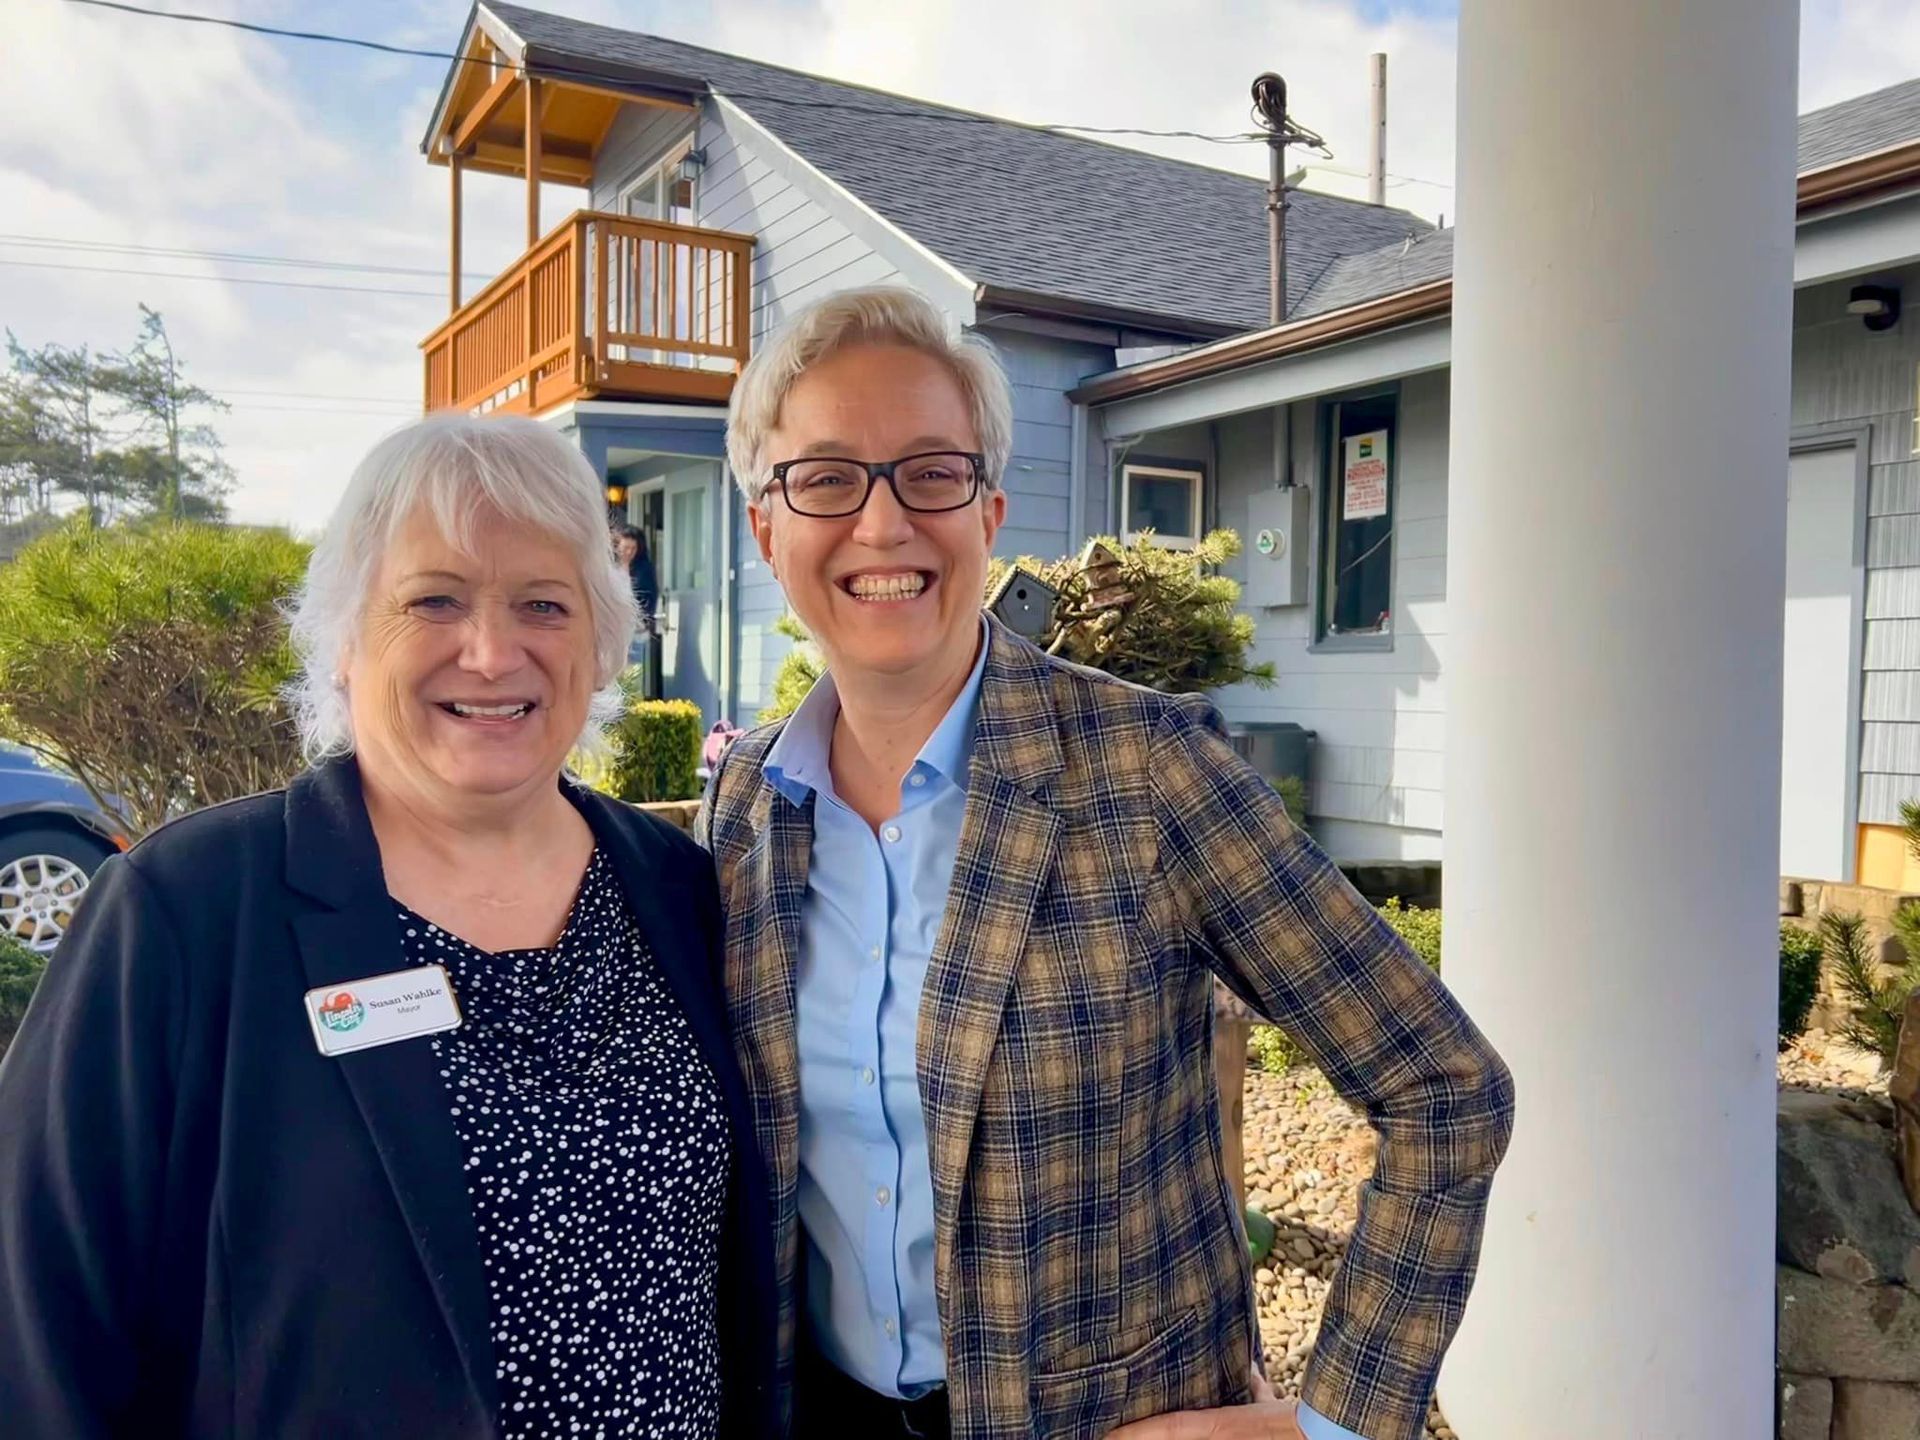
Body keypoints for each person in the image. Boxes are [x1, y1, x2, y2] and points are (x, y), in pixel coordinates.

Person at [697, 286, 1515, 1440]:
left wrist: (1328, 1426)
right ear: (765, 526)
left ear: (988, 509)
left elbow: (1445, 1089)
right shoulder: (747, 806)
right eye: (826, 478)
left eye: (929, 470)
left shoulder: (1146, 769)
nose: (881, 526)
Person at [0, 413, 775, 1439]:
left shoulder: (676, 889)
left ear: (598, 646)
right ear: (345, 644)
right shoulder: (186, 913)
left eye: (543, 603)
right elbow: (38, 1330)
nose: (492, 652)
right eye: (434, 600)